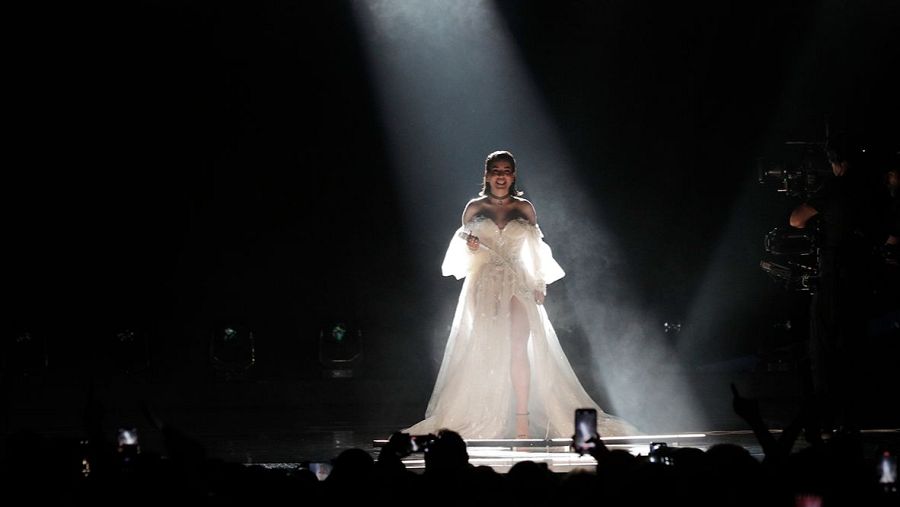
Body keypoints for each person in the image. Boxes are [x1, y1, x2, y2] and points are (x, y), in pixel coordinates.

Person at [404, 150, 637, 439]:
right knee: (487, 348)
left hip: (518, 281)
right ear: (487, 175)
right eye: (495, 171)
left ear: (513, 175)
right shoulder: (474, 208)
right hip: (485, 284)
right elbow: (462, 254)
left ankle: (522, 420)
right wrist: (472, 248)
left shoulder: (524, 208)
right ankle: (487, 413)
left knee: (519, 348)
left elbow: (536, 249)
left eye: (506, 171)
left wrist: (539, 282)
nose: (501, 176)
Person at [788, 133, 886, 432]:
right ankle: (851, 417)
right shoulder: (873, 190)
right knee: (854, 344)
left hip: (835, 276)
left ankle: (827, 417)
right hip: (864, 275)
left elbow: (796, 220)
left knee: (824, 347)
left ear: (836, 163)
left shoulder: (835, 187)